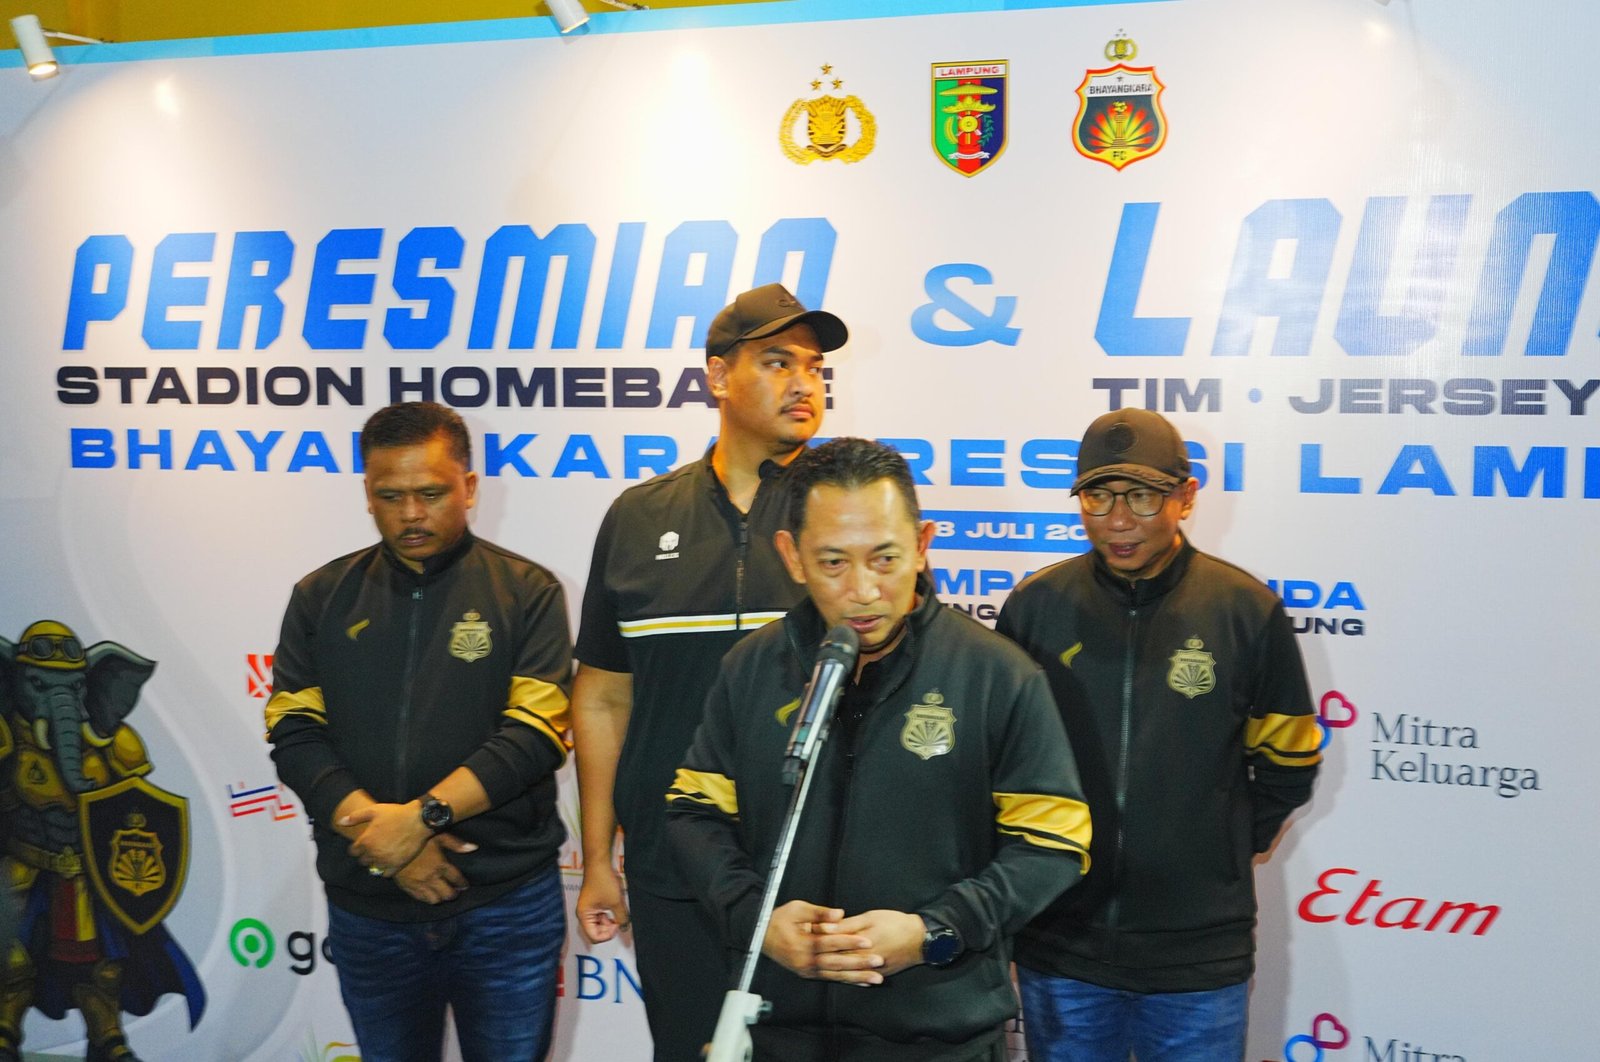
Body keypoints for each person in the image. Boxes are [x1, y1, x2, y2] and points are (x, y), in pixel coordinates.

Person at [666, 438, 1092, 1062]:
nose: (863, 590)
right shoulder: (752, 667)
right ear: (791, 556)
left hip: (940, 1039)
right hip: (779, 1033)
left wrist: (934, 931)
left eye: (885, 559)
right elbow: (693, 813)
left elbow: (1054, 843)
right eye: (833, 563)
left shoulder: (996, 674)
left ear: (922, 544)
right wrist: (758, 921)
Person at [571, 284, 848, 1061]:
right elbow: (603, 698)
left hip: (816, 868)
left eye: (814, 367)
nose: (804, 383)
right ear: (718, 376)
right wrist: (597, 860)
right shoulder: (639, 516)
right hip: (673, 869)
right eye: (777, 362)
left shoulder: (847, 515)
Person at [994, 408, 1323, 1062]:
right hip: (1061, 945)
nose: (1118, 520)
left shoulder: (1246, 610)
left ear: (1186, 497)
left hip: (1198, 955)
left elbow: (1288, 765)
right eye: (1098, 497)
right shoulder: (1033, 608)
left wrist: (1216, 845)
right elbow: (999, 763)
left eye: (1142, 497)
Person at [265, 401, 572, 1062]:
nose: (411, 514)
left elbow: (535, 735)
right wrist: (389, 844)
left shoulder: (529, 591)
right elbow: (293, 732)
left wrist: (421, 819)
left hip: (506, 908)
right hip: (370, 905)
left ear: (470, 486)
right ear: (366, 495)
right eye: (390, 496)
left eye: (431, 493)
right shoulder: (320, 596)